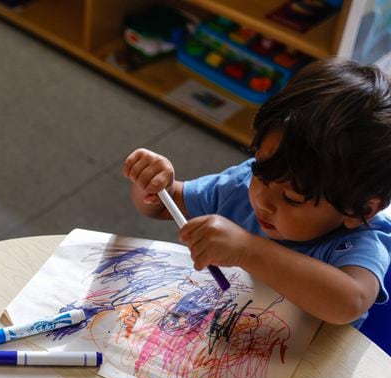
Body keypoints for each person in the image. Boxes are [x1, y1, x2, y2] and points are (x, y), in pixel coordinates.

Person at [123, 57, 391, 327]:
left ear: (359, 210)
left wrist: (247, 250)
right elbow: (158, 208)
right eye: (261, 171)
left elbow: (349, 303)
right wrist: (157, 186)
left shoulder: (359, 241)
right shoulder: (240, 187)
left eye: (292, 198)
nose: (262, 200)